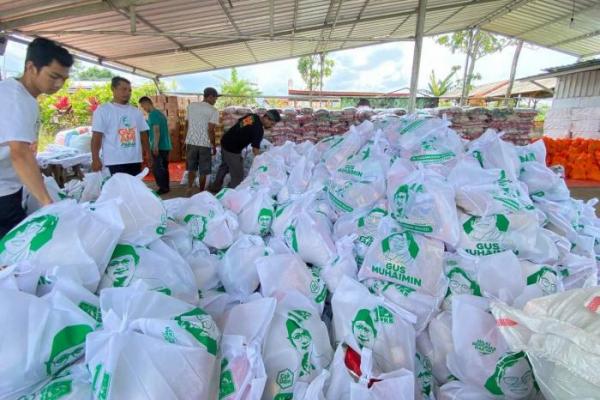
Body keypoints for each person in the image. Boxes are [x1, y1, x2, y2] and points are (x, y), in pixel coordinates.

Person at [0, 38, 73, 237]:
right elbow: (20, 153)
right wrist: (47, 203)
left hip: (10, 188)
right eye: (54, 76)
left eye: (64, 80)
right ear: (31, 67)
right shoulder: (14, 99)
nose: (59, 84)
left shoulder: (24, 97)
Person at [91, 77, 151, 176]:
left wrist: (148, 154)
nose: (127, 93)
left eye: (129, 90)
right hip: (114, 161)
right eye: (123, 89)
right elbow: (96, 136)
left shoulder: (136, 111)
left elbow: (143, 134)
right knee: (117, 190)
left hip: (134, 160)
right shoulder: (103, 110)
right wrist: (95, 158)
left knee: (133, 189)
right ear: (113, 89)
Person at [210, 109, 281, 191]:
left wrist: (242, 135)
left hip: (226, 141)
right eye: (272, 124)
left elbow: (240, 124)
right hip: (232, 149)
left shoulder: (253, 117)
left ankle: (215, 187)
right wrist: (261, 162)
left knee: (225, 166)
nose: (271, 126)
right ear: (267, 118)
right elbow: (255, 149)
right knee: (238, 176)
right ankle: (229, 195)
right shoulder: (258, 130)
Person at [185, 87, 220, 196]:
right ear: (209, 96)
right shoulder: (213, 110)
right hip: (204, 144)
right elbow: (210, 129)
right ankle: (201, 193)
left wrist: (184, 141)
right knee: (204, 170)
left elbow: (187, 124)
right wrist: (213, 145)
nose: (215, 101)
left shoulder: (191, 106)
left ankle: (189, 188)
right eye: (215, 98)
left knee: (191, 168)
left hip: (191, 142)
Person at [139, 96, 172, 194]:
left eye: (143, 106)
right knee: (164, 167)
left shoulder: (153, 115)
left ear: (147, 103)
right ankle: (166, 187)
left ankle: (163, 188)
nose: (143, 109)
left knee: (157, 168)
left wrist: (155, 145)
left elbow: (156, 130)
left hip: (159, 146)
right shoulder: (160, 114)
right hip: (166, 145)